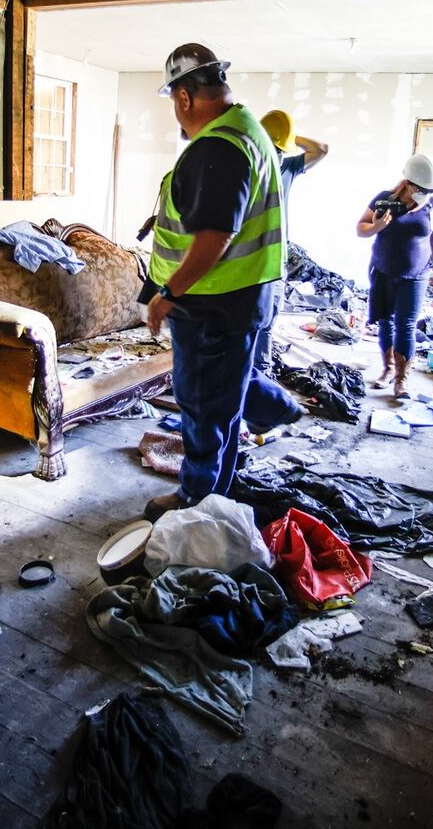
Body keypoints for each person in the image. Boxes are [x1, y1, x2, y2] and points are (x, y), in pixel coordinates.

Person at [140, 44, 288, 521]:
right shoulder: (249, 129)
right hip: (241, 300)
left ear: (184, 97)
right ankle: (220, 487)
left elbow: (215, 237)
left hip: (210, 305)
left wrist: (168, 294)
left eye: (172, 102)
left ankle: (195, 502)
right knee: (225, 396)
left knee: (203, 408)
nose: (175, 113)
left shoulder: (216, 147)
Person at [248, 109, 330, 385]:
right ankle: (249, 380)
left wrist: (290, 137)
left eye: (282, 149)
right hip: (249, 260)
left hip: (275, 259)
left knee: (267, 324)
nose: (279, 153)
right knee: (249, 324)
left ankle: (262, 379)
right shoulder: (247, 168)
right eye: (275, 148)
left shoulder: (286, 167)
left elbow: (321, 149)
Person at [356, 154, 433, 399]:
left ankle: (401, 380)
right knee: (386, 321)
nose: (424, 193)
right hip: (383, 271)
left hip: (416, 275)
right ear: (408, 183)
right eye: (421, 188)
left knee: (406, 325)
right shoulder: (385, 199)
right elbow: (360, 227)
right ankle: (388, 370)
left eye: (429, 189)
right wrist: (376, 227)